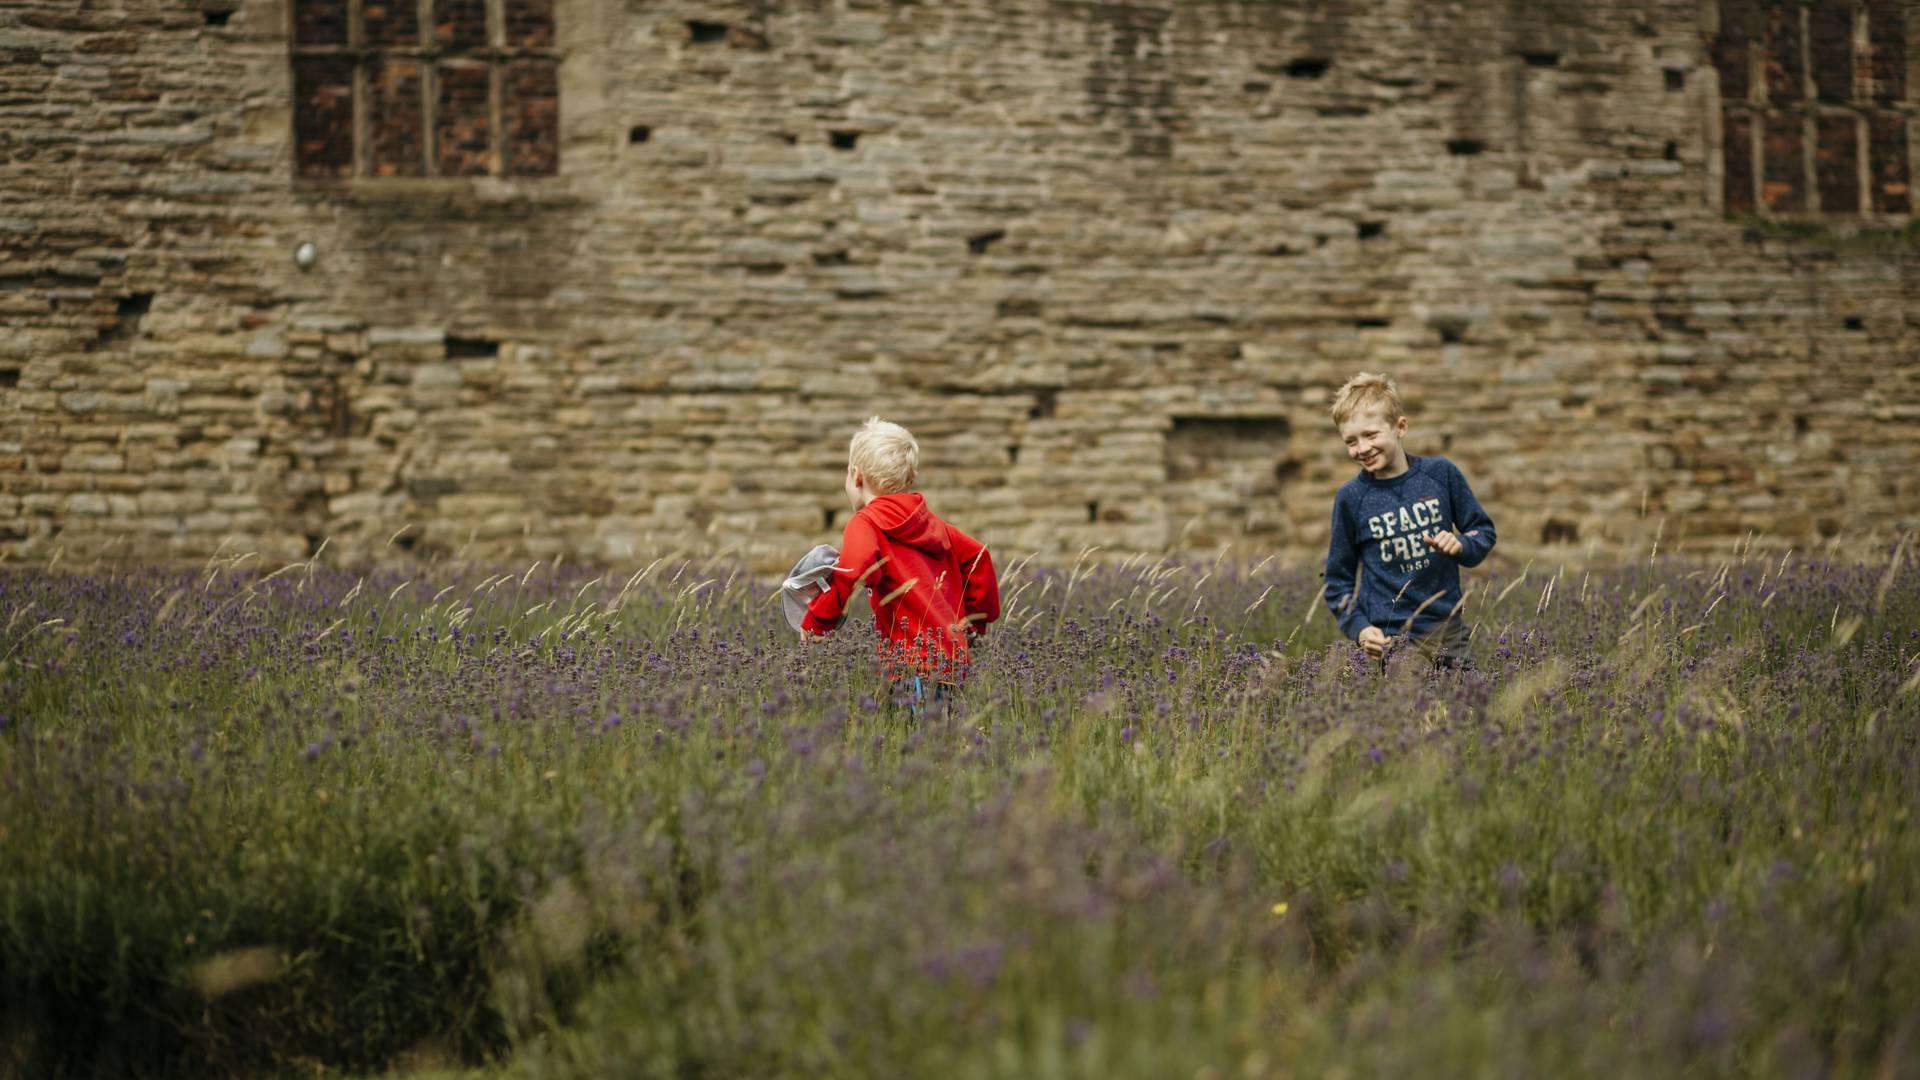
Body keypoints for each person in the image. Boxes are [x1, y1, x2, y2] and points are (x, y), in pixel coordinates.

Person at [799, 416, 1001, 698]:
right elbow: (979, 556)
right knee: (947, 738)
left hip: (912, 668)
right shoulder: (933, 524)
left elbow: (854, 570)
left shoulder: (866, 523)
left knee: (918, 739)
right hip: (954, 663)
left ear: (856, 476)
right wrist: (976, 623)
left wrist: (817, 622)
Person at [1321, 372, 1496, 670]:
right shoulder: (1351, 498)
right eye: (1351, 441)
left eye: (1371, 435)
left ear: (1400, 427)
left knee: (1465, 711)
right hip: (1391, 638)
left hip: (1447, 629)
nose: (1362, 449)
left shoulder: (1441, 474)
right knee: (1410, 713)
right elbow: (1337, 582)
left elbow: (1483, 532)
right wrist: (1361, 629)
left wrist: (1462, 543)